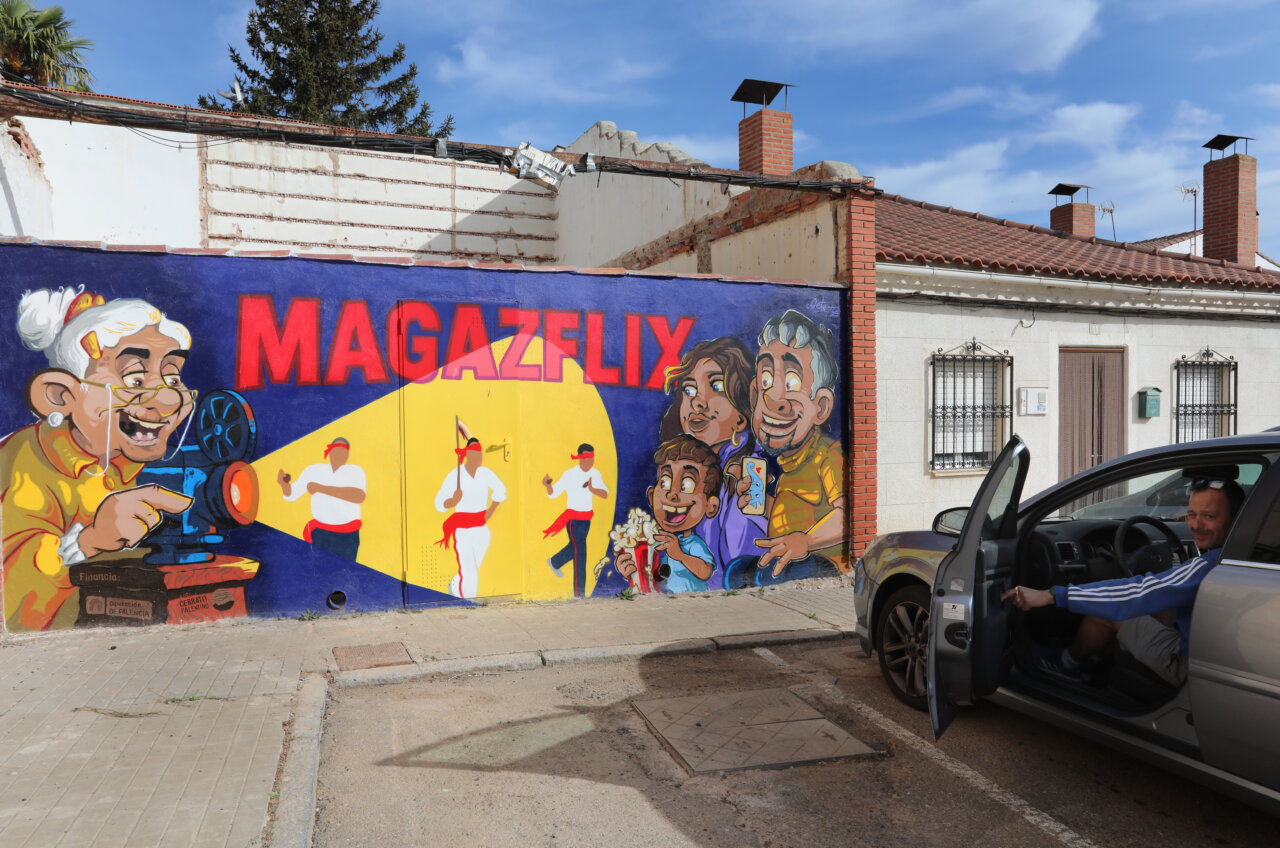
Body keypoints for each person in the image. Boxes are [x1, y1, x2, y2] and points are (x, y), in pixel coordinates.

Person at [2, 287, 196, 631]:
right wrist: (88, 541)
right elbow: (15, 607)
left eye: (173, 378)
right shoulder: (26, 466)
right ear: (60, 396)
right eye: (135, 378)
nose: (167, 399)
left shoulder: (124, 459)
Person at [1002, 477, 1245, 686]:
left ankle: (1068, 663)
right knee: (1159, 607)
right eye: (1192, 514)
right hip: (1218, 653)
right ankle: (1097, 662)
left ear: (1236, 518)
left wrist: (1051, 595)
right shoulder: (1244, 555)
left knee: (1114, 611)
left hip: (1187, 664)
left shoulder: (1208, 567)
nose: (1195, 525)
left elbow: (1136, 593)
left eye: (1209, 516)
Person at [724, 309, 846, 587]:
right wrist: (761, 502)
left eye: (791, 382)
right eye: (766, 381)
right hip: (789, 555)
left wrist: (806, 540)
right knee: (735, 572)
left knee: (768, 574)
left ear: (823, 406)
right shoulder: (789, 466)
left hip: (820, 559)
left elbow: (846, 514)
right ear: (755, 394)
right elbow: (790, 516)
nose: (774, 396)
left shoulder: (828, 455)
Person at [658, 337, 766, 587]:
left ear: (741, 418)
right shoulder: (682, 468)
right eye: (689, 389)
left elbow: (741, 569)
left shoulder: (746, 477)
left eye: (716, 386)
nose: (697, 400)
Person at [615, 435, 721, 594]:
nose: (672, 494)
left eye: (687, 485)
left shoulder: (693, 544)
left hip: (691, 604)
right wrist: (626, 569)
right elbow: (644, 573)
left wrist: (680, 555)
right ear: (651, 496)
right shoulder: (649, 542)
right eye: (664, 482)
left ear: (710, 507)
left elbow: (705, 572)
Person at [435, 437, 506, 599]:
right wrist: (452, 500)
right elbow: (439, 503)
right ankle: (468, 601)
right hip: (463, 530)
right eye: (475, 453)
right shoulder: (456, 475)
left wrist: (489, 513)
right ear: (467, 455)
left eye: (480, 453)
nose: (479, 456)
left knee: (472, 568)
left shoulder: (485, 473)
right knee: (470, 572)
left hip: (481, 529)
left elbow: (500, 492)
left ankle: (455, 583)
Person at [277, 437, 366, 560]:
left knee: (344, 572)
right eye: (336, 451)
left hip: (347, 536)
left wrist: (320, 488)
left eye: (343, 452)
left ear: (347, 454)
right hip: (320, 534)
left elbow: (358, 496)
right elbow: (291, 494)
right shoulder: (313, 470)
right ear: (330, 452)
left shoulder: (355, 471)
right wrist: (283, 484)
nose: (339, 455)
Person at [542, 443, 609, 598]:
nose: (589, 462)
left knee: (575, 548)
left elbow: (605, 493)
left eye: (591, 458)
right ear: (579, 458)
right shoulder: (569, 474)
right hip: (573, 520)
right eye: (586, 458)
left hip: (587, 520)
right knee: (581, 553)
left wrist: (593, 489)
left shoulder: (595, 474)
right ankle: (580, 593)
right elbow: (553, 493)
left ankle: (554, 562)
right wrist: (548, 485)